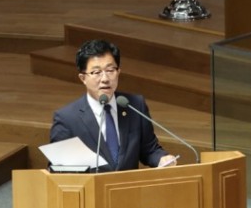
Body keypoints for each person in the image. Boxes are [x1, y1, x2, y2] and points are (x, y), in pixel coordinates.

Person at [50, 39, 177, 171]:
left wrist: (162, 158)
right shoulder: (67, 118)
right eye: (96, 72)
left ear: (118, 72)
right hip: (91, 190)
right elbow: (58, 170)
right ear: (83, 78)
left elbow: (149, 149)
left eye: (110, 70)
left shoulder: (134, 105)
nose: (105, 79)